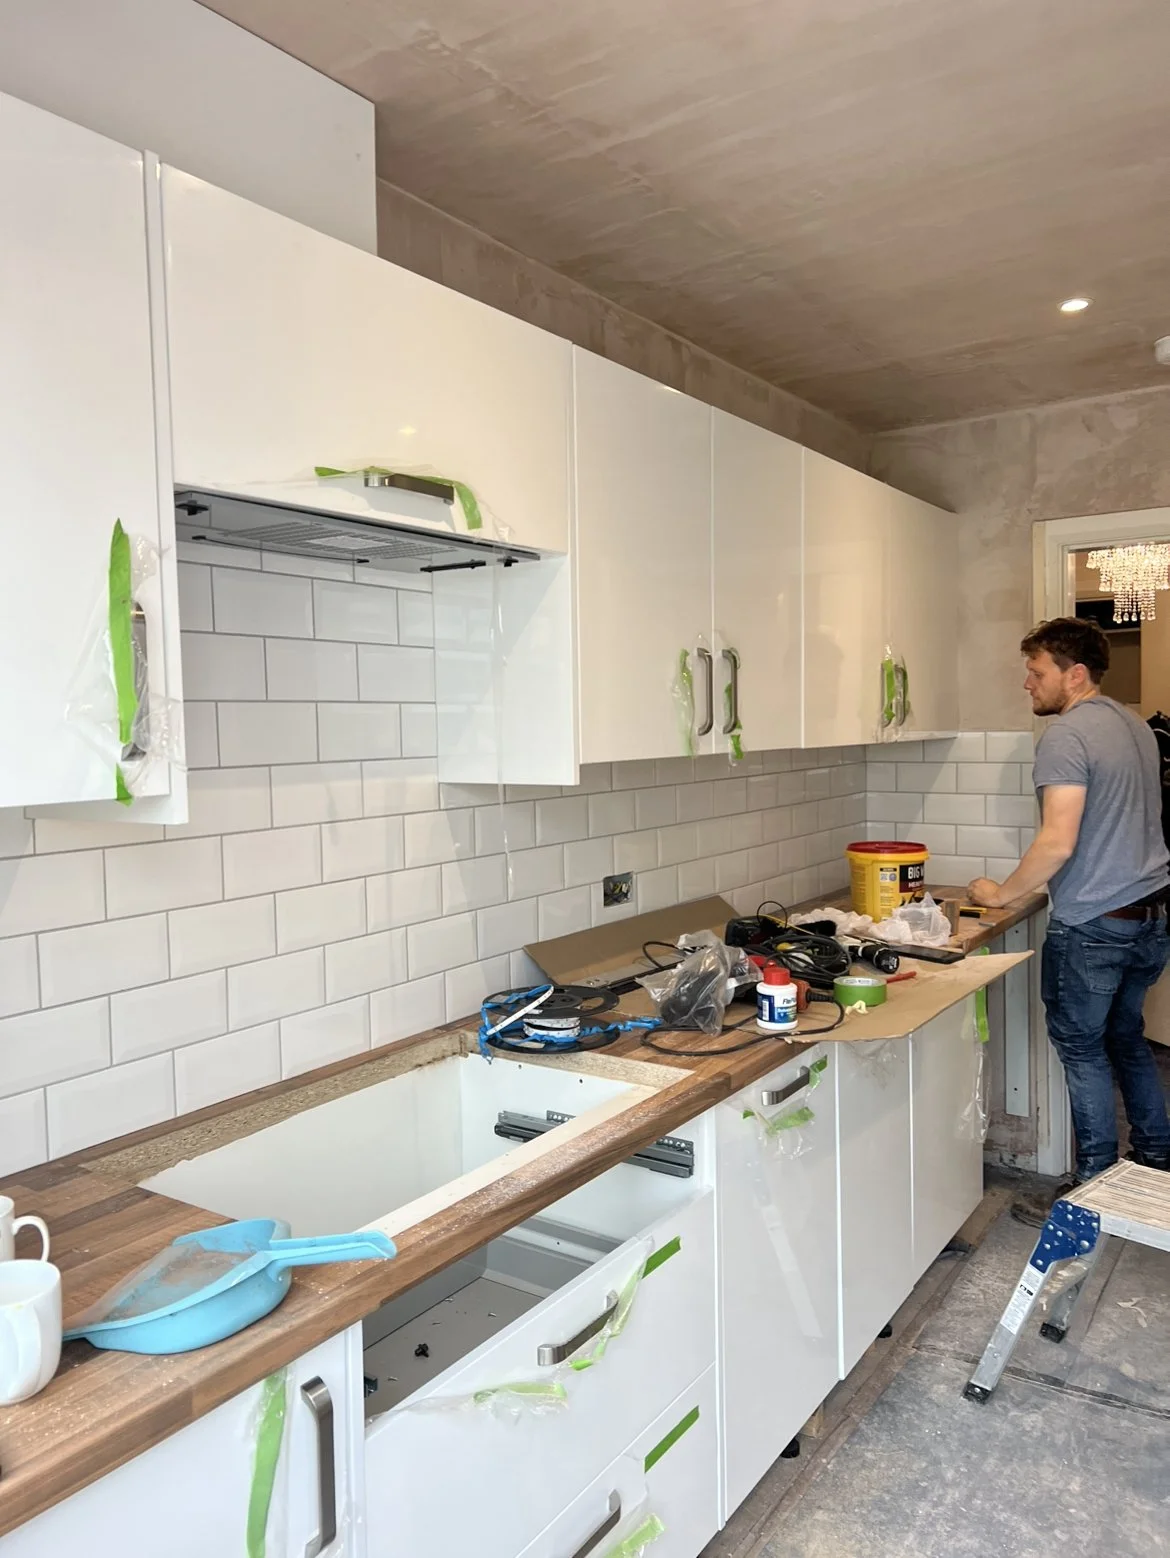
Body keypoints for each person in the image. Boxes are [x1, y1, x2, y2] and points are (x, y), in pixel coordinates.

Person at [967, 617, 1170, 1216]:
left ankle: (1093, 1188)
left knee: (1082, 1050)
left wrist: (1000, 894)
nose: (1027, 684)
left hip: (1097, 923)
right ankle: (1156, 1161)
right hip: (1151, 915)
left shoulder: (1066, 736)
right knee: (1126, 1039)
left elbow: (1058, 841)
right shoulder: (1134, 725)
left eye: (1036, 672)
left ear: (1074, 674)